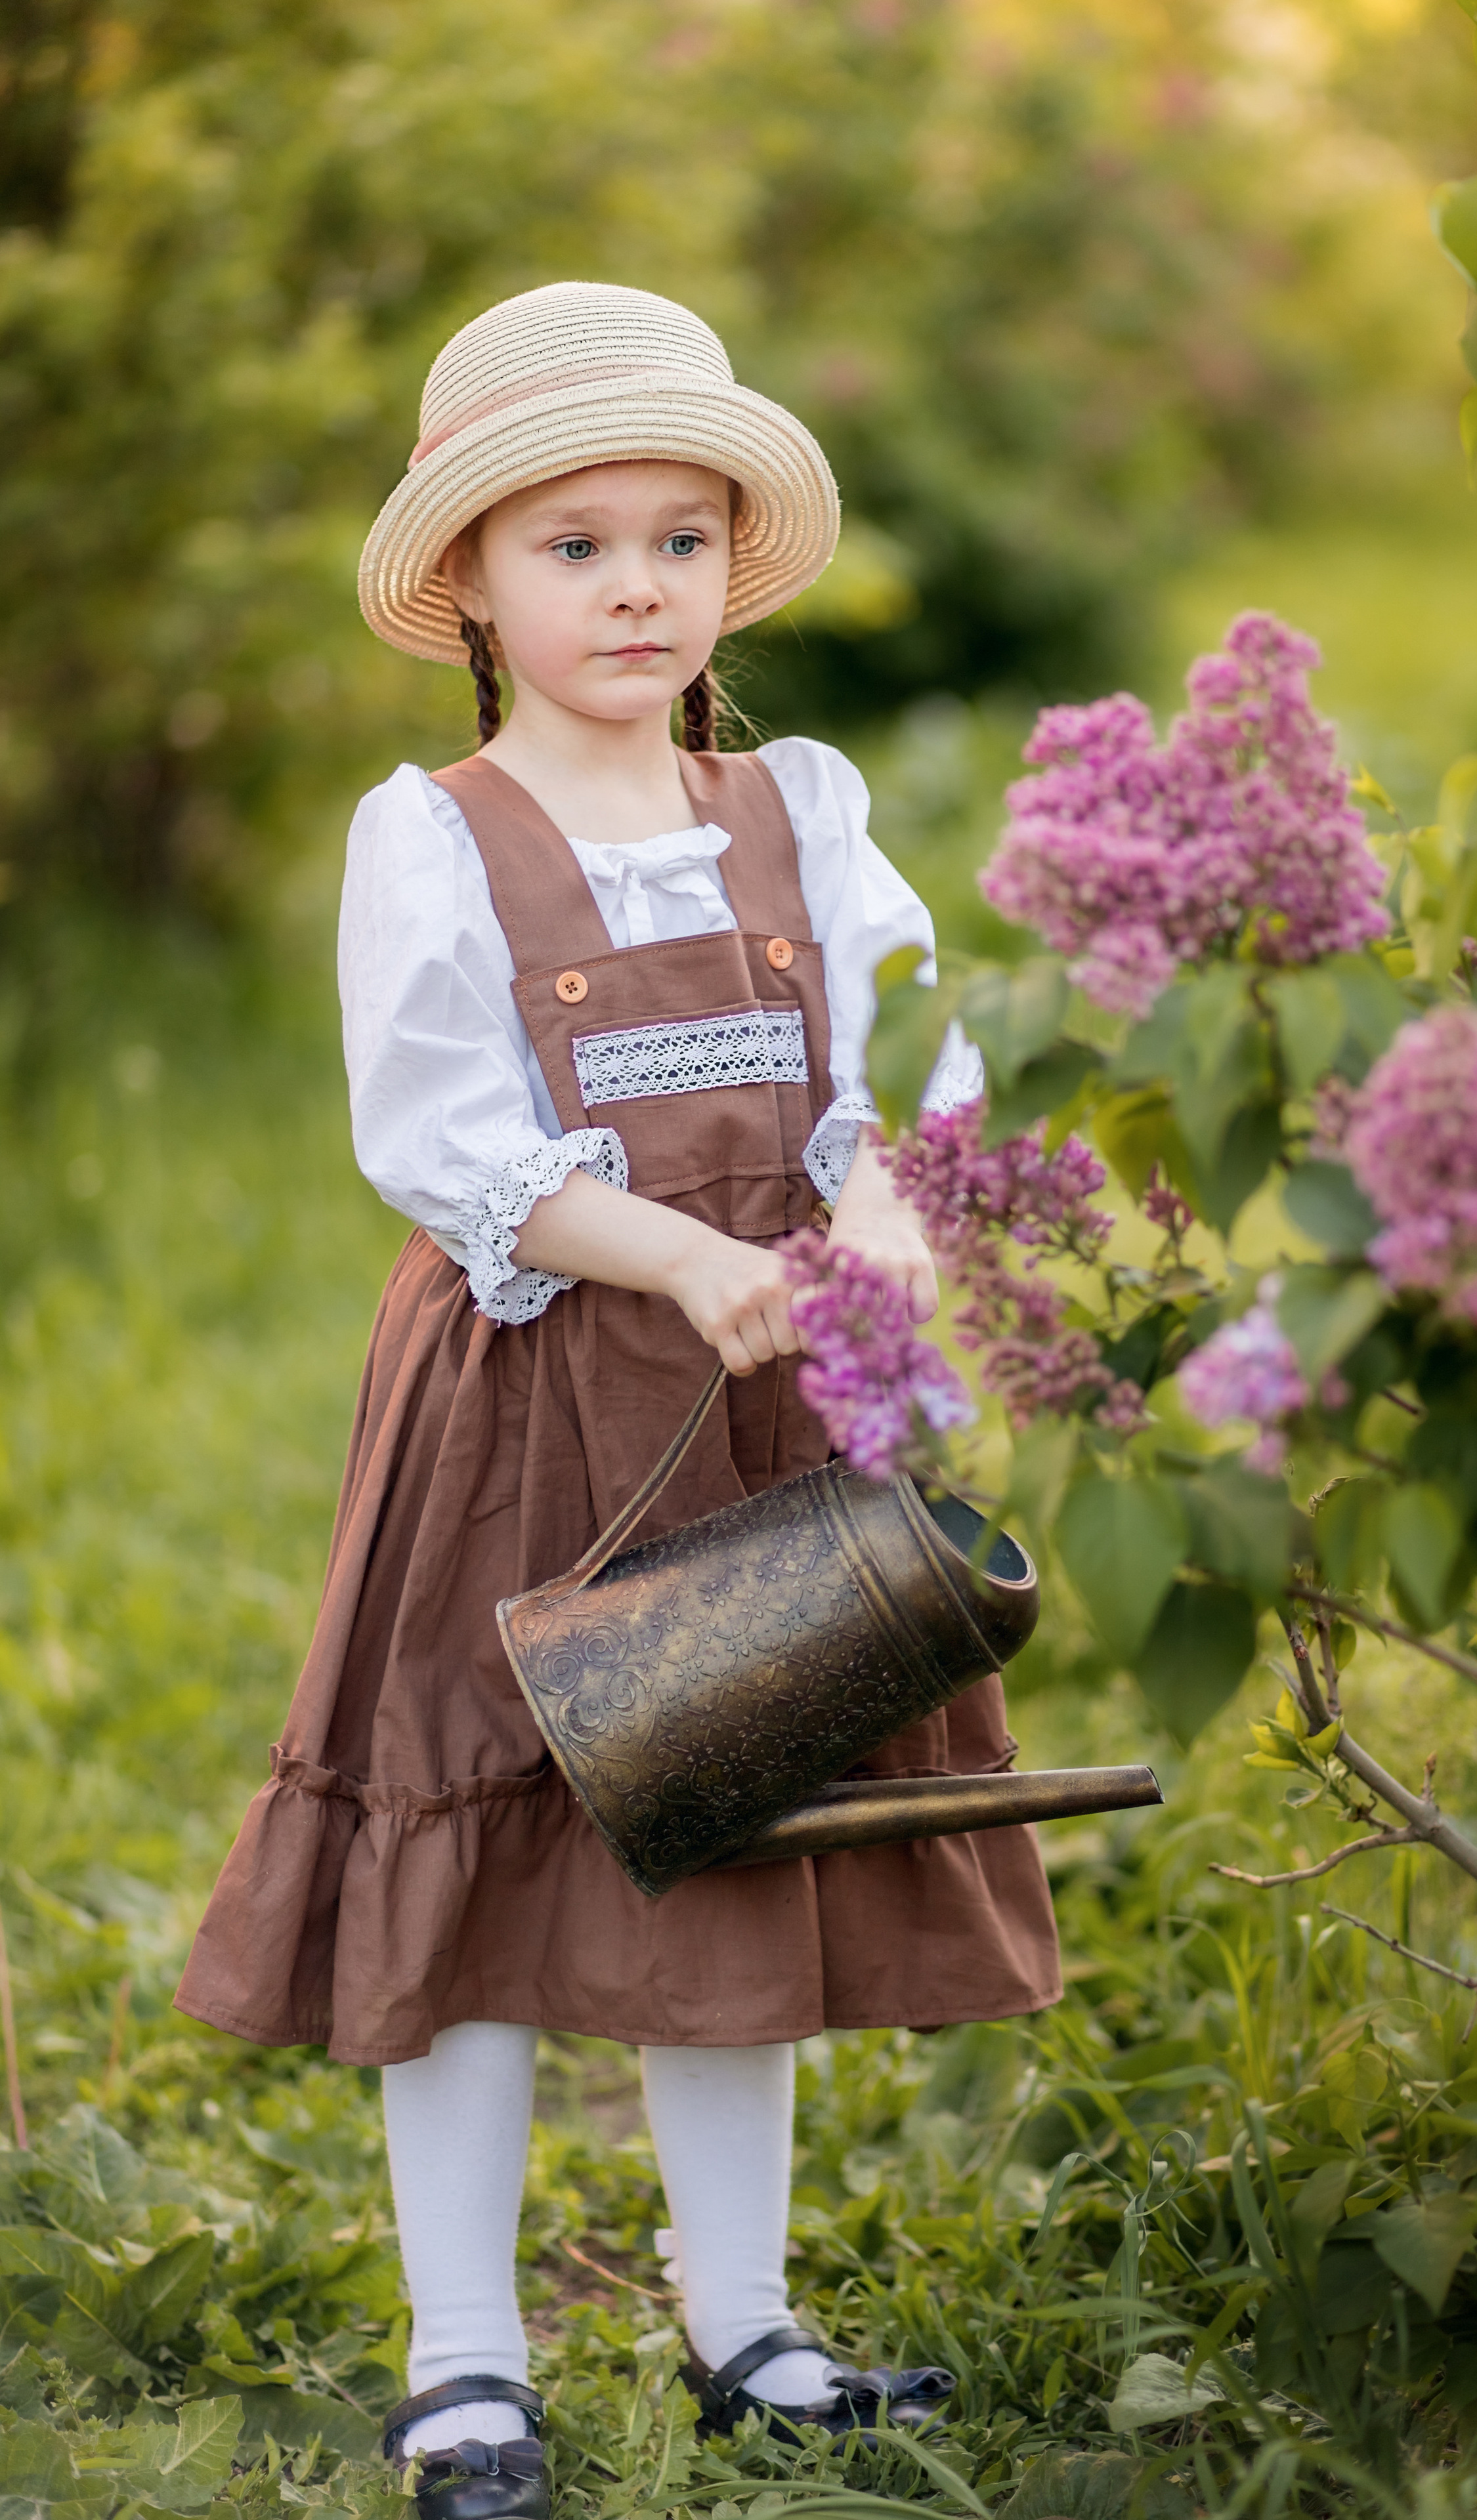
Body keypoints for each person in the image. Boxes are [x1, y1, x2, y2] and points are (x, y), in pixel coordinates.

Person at [175, 282, 1061, 2518]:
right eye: (574, 545)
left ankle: (741, 2315)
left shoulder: (798, 808)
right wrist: (676, 1251)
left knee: (729, 1814)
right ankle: (465, 2357)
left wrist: (886, 1223)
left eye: (680, 539)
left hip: (763, 1416)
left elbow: (914, 1051)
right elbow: (445, 1131)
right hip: (534, 1401)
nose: (636, 586)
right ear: (473, 581)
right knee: (477, 1841)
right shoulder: (437, 834)